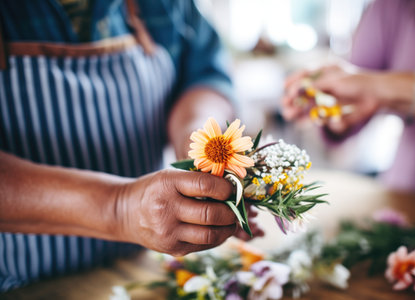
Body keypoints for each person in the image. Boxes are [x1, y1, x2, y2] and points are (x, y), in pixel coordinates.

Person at [0, 0, 262, 292]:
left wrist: (199, 139)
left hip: (135, 269)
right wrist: (120, 207)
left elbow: (205, 75)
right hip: (17, 282)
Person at [282, 0, 415, 197]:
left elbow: (366, 83)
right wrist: (335, 105)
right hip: (408, 194)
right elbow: (358, 80)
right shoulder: (393, 6)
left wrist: (377, 87)